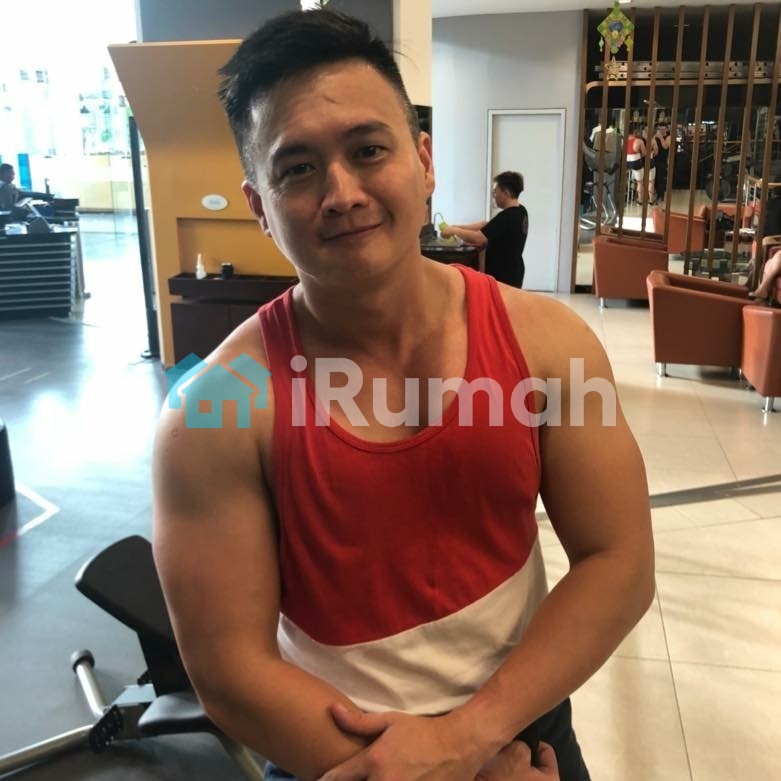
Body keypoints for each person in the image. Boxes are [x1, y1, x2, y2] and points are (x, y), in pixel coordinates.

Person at [152, 9, 654, 781]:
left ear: (422, 161)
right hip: (329, 748)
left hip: (522, 726)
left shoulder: (549, 343)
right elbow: (228, 668)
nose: (342, 193)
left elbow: (618, 560)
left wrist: (471, 739)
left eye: (367, 150)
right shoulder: (213, 408)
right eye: (297, 169)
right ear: (258, 207)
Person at [440, 172, 529, 288]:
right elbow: (486, 225)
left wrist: (454, 231)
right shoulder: (521, 211)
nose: (494, 196)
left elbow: (478, 238)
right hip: (515, 270)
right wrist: (456, 227)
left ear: (506, 193)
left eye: (495, 192)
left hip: (504, 275)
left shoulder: (506, 216)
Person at [653, 123, 671, 204]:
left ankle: (661, 195)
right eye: (660, 129)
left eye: (663, 129)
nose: (661, 131)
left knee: (660, 178)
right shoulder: (656, 137)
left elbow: (665, 146)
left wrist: (660, 138)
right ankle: (656, 194)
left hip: (663, 160)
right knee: (655, 178)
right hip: (655, 159)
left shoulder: (668, 137)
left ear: (666, 129)